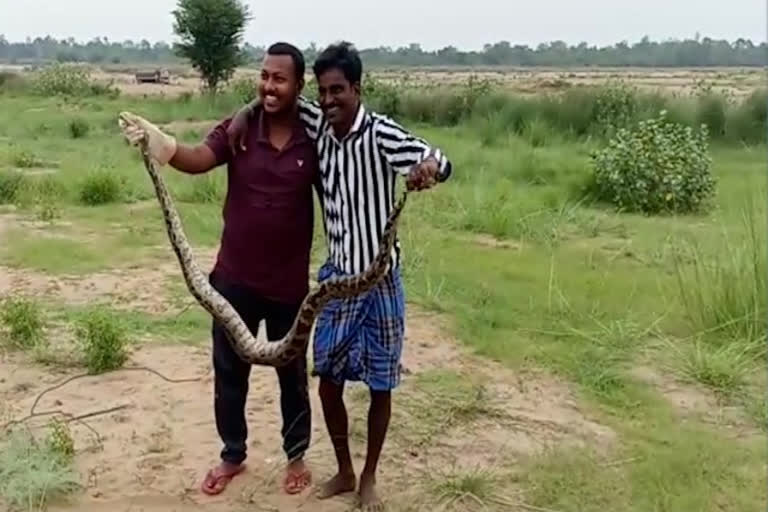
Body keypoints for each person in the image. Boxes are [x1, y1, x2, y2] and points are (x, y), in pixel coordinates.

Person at [226, 41, 452, 510]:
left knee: (380, 384)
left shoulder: (382, 134)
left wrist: (430, 168)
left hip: (380, 280)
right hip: (335, 282)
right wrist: (246, 112)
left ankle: (369, 475)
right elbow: (278, 101)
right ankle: (345, 470)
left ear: (356, 89)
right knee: (327, 378)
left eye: (338, 92)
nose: (329, 102)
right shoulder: (317, 123)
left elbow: (437, 158)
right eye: (323, 92)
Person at [118, 42, 320, 497]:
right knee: (229, 372)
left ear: (298, 85)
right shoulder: (239, 129)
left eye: (279, 78)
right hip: (233, 280)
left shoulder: (314, 139)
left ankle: (296, 455)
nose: (269, 86)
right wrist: (159, 142)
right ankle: (233, 454)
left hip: (289, 286)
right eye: (264, 76)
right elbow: (196, 159)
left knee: (292, 375)